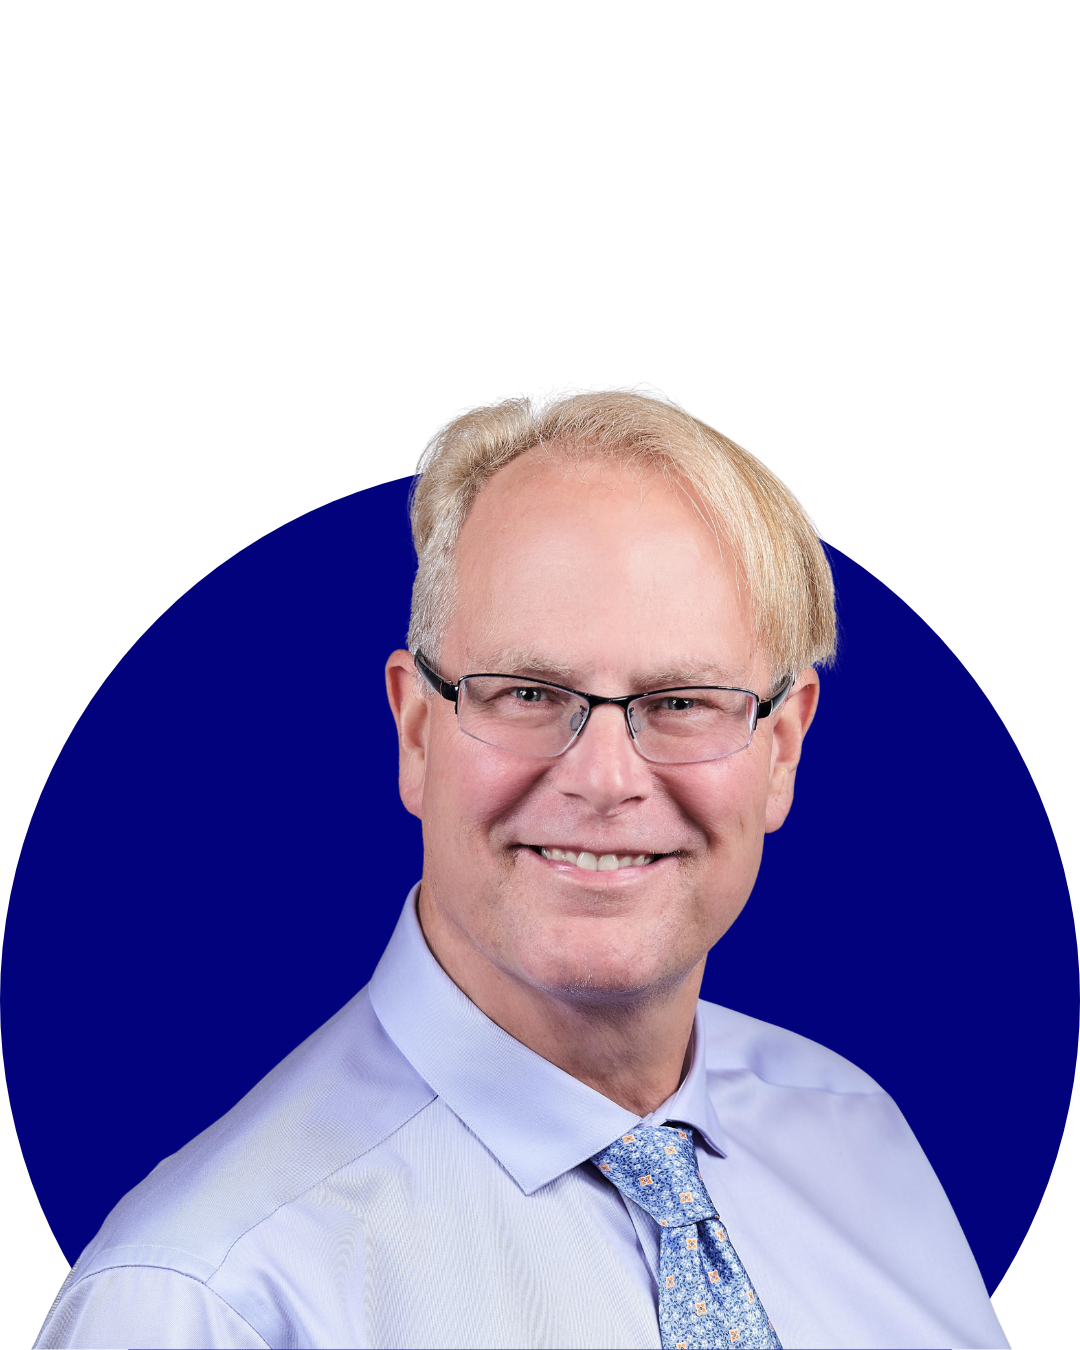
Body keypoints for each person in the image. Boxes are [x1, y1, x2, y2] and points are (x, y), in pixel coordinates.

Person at [35, 385, 1012, 1350]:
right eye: (530, 692)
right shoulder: (209, 1301)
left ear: (783, 750)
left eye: (681, 701)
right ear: (417, 732)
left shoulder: (858, 1136)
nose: (604, 779)